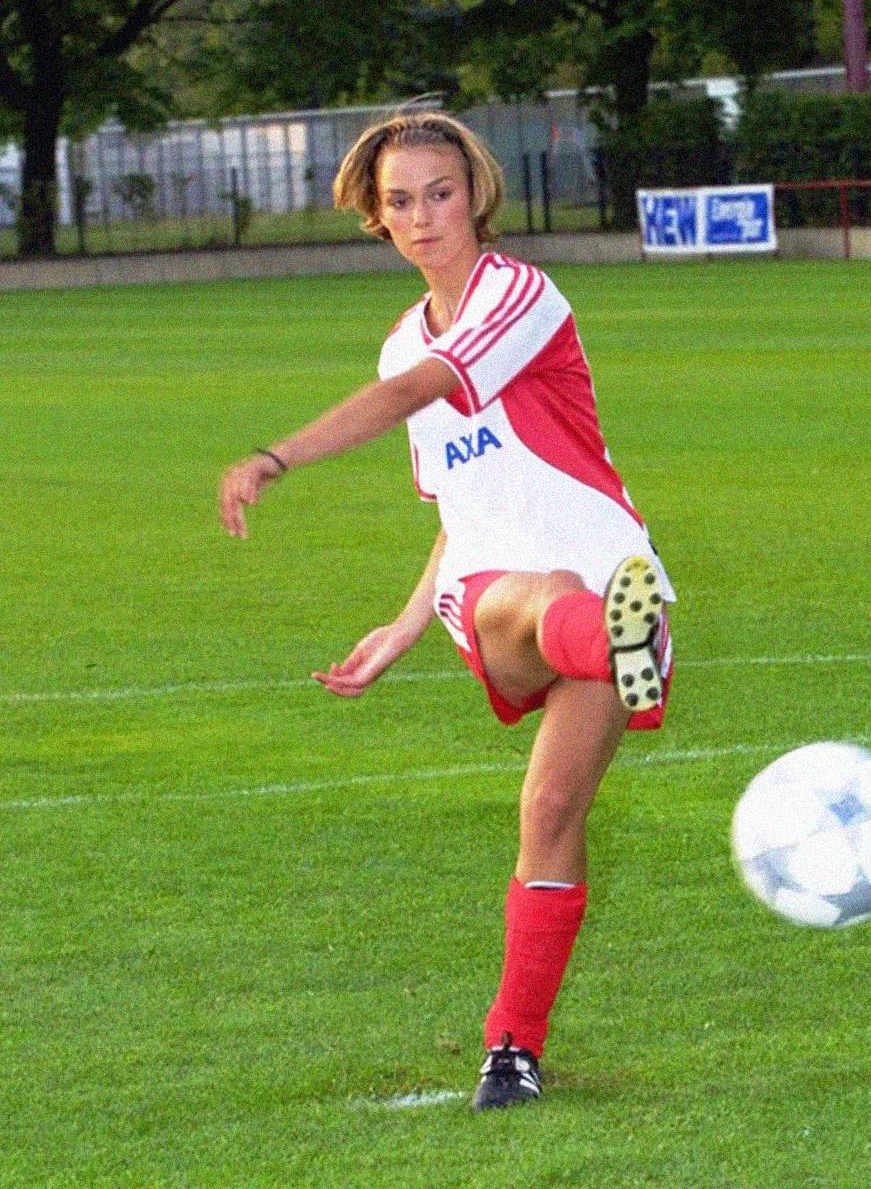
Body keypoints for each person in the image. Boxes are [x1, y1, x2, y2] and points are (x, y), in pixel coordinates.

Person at [218, 110, 675, 1112]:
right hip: (503, 594)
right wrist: (405, 621)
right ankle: (615, 637)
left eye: (440, 192)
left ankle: (511, 1052)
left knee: (551, 812)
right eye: (400, 201)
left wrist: (275, 454)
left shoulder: (519, 293)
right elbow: (458, 508)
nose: (424, 216)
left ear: (474, 194)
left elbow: (419, 392)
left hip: (608, 569)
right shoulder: (399, 345)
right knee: (543, 600)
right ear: (375, 217)